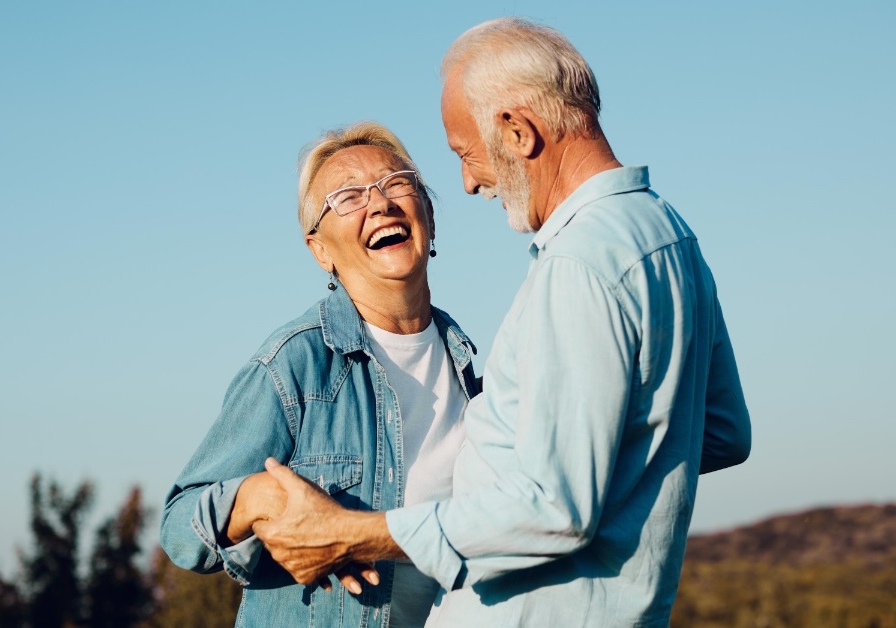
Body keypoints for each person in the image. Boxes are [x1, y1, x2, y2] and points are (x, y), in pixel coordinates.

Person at [253, 18, 753, 626]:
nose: (468, 182)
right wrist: (593, 463)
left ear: (517, 131)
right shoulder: (670, 234)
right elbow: (722, 431)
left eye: (466, 153)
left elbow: (554, 510)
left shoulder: (578, 266)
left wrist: (354, 534)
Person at [159, 122, 482, 627]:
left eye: (397, 182)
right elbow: (180, 523)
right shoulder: (296, 363)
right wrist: (258, 497)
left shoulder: (470, 371)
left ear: (430, 216)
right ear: (320, 250)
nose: (380, 204)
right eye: (348, 197)